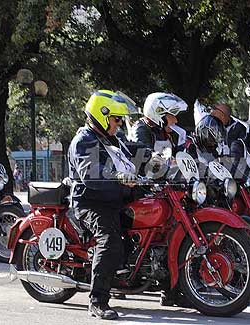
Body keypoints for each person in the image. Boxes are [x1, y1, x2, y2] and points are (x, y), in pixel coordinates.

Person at [68, 89, 138, 320]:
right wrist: (119, 178)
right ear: (102, 115)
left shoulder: (112, 138)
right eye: (116, 119)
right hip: (91, 202)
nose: (119, 124)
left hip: (114, 198)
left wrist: (157, 160)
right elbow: (91, 174)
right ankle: (97, 301)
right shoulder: (84, 141)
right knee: (109, 240)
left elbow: (133, 154)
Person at [132, 92, 187, 158]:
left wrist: (184, 147)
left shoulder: (163, 130)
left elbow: (175, 155)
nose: (175, 120)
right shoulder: (141, 129)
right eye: (172, 115)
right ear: (159, 114)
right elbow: (142, 157)